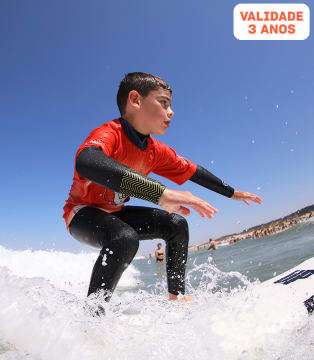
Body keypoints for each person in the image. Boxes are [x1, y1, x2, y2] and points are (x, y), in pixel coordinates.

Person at [63, 72, 262, 305]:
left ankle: (176, 298)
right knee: (125, 239)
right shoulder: (110, 134)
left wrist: (232, 192)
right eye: (164, 103)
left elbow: (194, 171)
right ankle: (92, 315)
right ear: (135, 100)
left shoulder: (155, 151)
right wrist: (159, 193)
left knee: (176, 224)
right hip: (81, 213)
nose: (171, 112)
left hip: (116, 212)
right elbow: (86, 162)